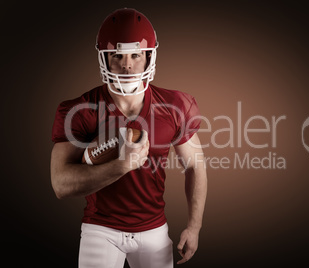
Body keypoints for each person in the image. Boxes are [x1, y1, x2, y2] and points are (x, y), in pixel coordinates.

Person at [50, 8, 207, 268]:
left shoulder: (175, 105)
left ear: (148, 57)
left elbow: (195, 166)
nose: (127, 64)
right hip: (100, 228)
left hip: (154, 229)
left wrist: (194, 226)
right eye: (117, 56)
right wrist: (121, 165)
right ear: (104, 59)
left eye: (135, 54)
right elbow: (60, 184)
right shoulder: (79, 110)